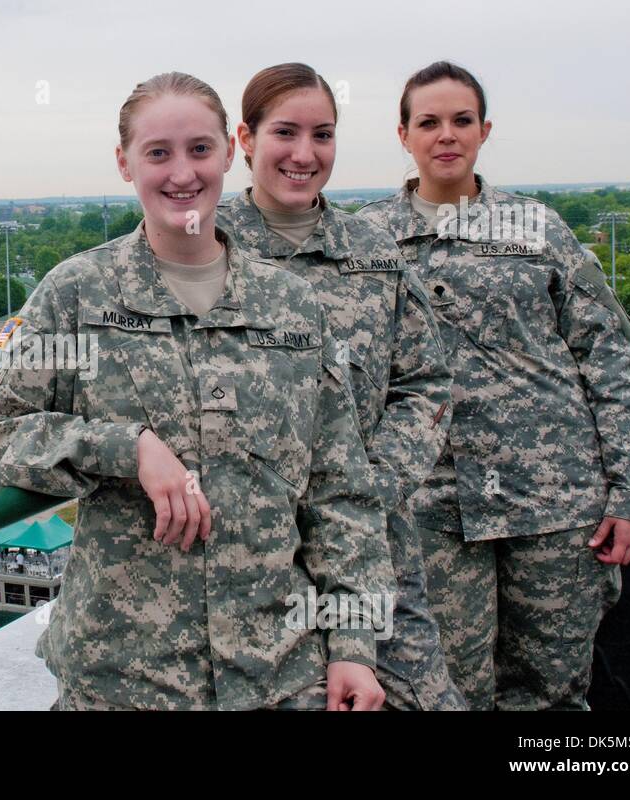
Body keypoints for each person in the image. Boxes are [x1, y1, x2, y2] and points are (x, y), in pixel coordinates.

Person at [0, 72, 392, 711]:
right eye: (157, 152)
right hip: (123, 680)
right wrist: (124, 447)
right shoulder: (79, 295)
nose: (182, 172)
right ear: (124, 163)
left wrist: (354, 647)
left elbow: (340, 491)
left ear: (228, 152)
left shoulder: (293, 307)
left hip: (278, 675)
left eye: (199, 149)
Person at [356, 61, 630, 710]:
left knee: (549, 696)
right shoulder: (366, 241)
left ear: (485, 130)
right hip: (430, 512)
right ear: (403, 134)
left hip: (553, 506)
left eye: (461, 120)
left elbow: (610, 357)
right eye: (429, 122)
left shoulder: (538, 230)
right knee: (442, 694)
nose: (446, 135)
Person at [215, 63, 463, 710]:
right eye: (285, 133)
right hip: (248, 567)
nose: (305, 154)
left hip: (373, 551)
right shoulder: (201, 250)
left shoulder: (374, 254)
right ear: (245, 138)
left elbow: (426, 384)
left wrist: (368, 487)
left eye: (322, 135)